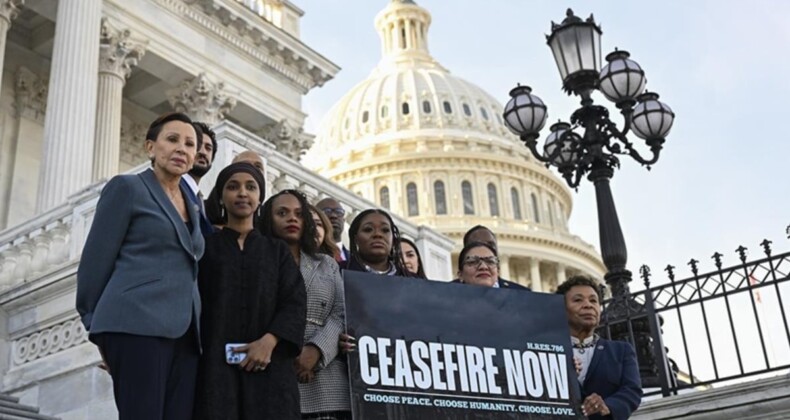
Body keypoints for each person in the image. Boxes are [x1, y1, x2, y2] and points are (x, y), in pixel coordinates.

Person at [75, 112, 204, 420]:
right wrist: (96, 327)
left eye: (189, 144)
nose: (182, 149)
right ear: (150, 147)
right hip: (134, 324)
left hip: (186, 334)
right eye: (172, 140)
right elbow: (95, 262)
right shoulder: (127, 188)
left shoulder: (193, 202)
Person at [194, 163, 306, 420]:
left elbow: (294, 302)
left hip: (272, 371)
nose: (242, 193)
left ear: (260, 198)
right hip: (215, 372)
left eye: (251, 187)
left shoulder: (276, 251)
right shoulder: (205, 248)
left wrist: (269, 342)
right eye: (233, 187)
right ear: (221, 197)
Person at [260, 191, 351, 420]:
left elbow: (341, 312)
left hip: (326, 379)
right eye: (282, 213)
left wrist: (317, 350)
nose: (292, 219)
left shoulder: (327, 264)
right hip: (272, 369)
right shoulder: (257, 260)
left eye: (299, 214)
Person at [557, 276, 642, 419]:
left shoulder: (620, 351)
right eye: (578, 300)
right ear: (561, 309)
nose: (588, 305)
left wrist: (608, 406)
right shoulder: (548, 351)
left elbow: (632, 391)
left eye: (593, 300)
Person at [205, 150, 265, 228]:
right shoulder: (203, 210)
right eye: (245, 164)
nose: (251, 169)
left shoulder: (269, 217)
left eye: (258, 166)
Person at [344, 208, 410, 276]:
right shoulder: (338, 272)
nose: (378, 234)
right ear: (355, 238)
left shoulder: (412, 279)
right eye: (368, 229)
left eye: (385, 230)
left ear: (393, 238)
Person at [462, 225, 528, 289]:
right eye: (477, 245)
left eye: (490, 245)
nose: (485, 250)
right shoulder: (452, 292)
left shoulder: (523, 294)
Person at [182, 121, 217, 235]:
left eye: (208, 148)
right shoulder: (171, 187)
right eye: (198, 145)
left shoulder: (200, 199)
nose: (203, 152)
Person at [316, 197, 351, 262]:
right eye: (327, 211)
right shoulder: (309, 256)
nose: (334, 216)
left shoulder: (357, 261)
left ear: (343, 220)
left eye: (339, 212)